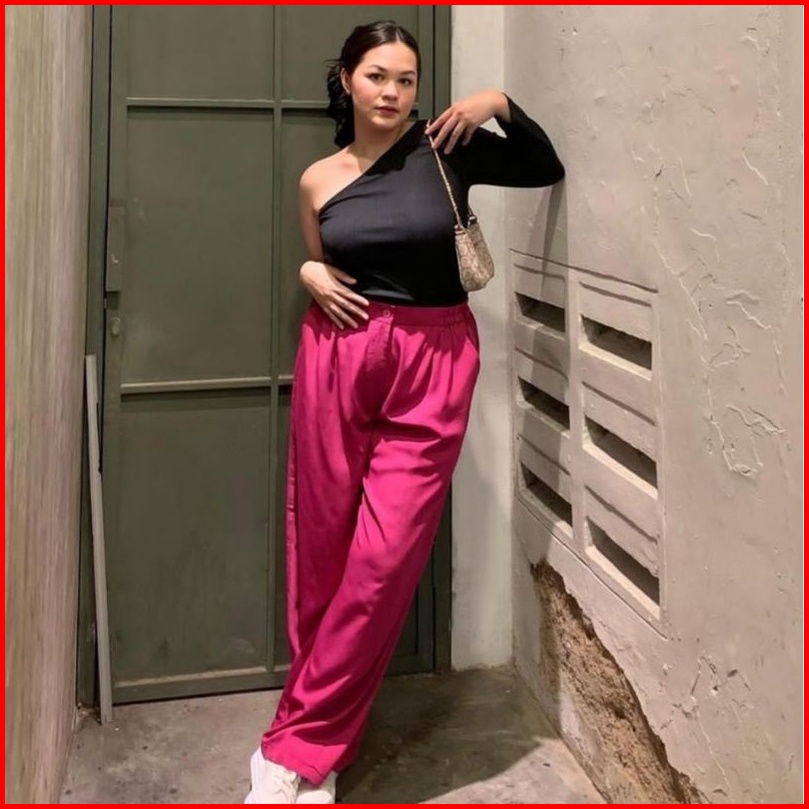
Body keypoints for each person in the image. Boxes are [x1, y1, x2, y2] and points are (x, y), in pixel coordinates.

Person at [245, 20, 565, 805]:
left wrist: (497, 102)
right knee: (322, 547)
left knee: (382, 559)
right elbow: (325, 257)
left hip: (433, 359)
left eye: (405, 79)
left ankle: (296, 743)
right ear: (347, 80)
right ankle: (315, 746)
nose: (391, 92)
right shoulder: (317, 178)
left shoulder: (446, 149)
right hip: (340, 351)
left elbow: (542, 166)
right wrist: (308, 271)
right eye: (376, 76)